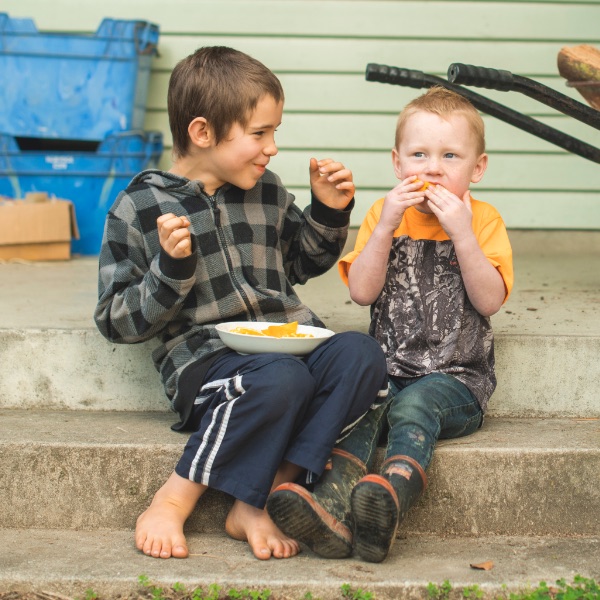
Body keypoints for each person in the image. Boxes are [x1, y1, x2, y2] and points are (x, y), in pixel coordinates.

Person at [93, 46, 388, 562]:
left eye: (275, 132)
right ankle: (172, 499)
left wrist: (328, 209)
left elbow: (302, 261)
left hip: (286, 345)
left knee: (362, 355)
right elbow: (116, 321)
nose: (272, 148)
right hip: (208, 359)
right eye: (259, 133)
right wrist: (170, 271)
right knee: (281, 380)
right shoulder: (140, 206)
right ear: (203, 133)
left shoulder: (266, 191)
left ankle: (267, 494)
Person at [266, 86, 514, 562]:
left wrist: (462, 233)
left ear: (476, 169)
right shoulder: (385, 215)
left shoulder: (483, 221)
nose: (433, 167)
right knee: (363, 413)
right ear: (398, 164)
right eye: (419, 154)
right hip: (390, 370)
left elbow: (490, 300)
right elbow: (362, 292)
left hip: (457, 380)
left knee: (415, 404)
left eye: (450, 156)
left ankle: (391, 500)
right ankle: (329, 509)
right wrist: (383, 229)